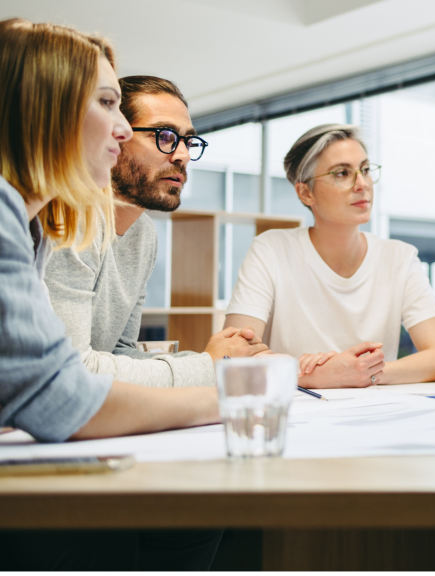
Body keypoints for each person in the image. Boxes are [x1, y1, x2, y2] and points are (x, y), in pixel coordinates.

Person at [0, 18, 229, 570]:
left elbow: (56, 382)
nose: (123, 131)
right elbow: (62, 395)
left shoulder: (26, 224)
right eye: (107, 104)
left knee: (191, 517)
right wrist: (229, 392)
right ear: (44, 110)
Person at [44, 75, 266, 388]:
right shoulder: (69, 220)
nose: (182, 155)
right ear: (114, 134)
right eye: (164, 135)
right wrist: (208, 366)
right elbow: (70, 371)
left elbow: (118, 353)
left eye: (188, 141)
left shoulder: (143, 233)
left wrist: (227, 362)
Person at [224, 124, 435, 388]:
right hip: (296, 416)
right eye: (342, 173)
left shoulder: (400, 258)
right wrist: (319, 375)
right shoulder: (271, 249)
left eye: (366, 170)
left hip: (375, 416)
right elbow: (232, 356)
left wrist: (363, 373)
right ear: (306, 192)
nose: (362, 184)